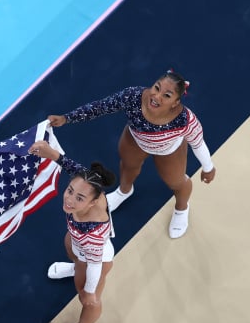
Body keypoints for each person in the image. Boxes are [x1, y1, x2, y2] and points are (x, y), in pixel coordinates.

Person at [47, 70, 216, 239]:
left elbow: (198, 143)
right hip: (135, 139)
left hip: (168, 150)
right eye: (156, 88)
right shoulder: (133, 96)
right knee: (128, 166)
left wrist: (208, 167)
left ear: (175, 102)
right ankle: (124, 191)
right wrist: (67, 118)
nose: (156, 97)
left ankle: (181, 209)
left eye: (167, 95)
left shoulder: (184, 120)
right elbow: (100, 107)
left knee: (177, 182)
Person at [28, 141, 116, 323]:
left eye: (79, 198)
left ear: (93, 202)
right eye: (69, 191)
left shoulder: (92, 233)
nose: (69, 199)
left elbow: (94, 265)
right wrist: (53, 154)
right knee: (69, 243)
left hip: (96, 259)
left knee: (88, 300)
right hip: (79, 244)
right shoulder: (91, 184)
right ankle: (74, 266)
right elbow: (76, 170)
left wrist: (90, 290)